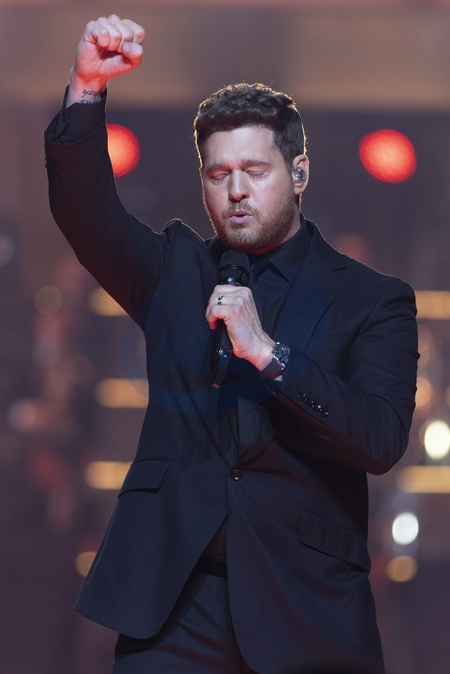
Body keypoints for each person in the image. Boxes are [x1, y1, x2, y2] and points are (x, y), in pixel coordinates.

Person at [44, 15, 418, 674]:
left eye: (253, 170)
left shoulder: (373, 298)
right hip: (174, 607)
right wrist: (86, 90)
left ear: (298, 172)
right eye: (218, 174)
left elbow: (380, 440)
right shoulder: (174, 270)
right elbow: (85, 214)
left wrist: (270, 355)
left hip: (305, 606)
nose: (236, 190)